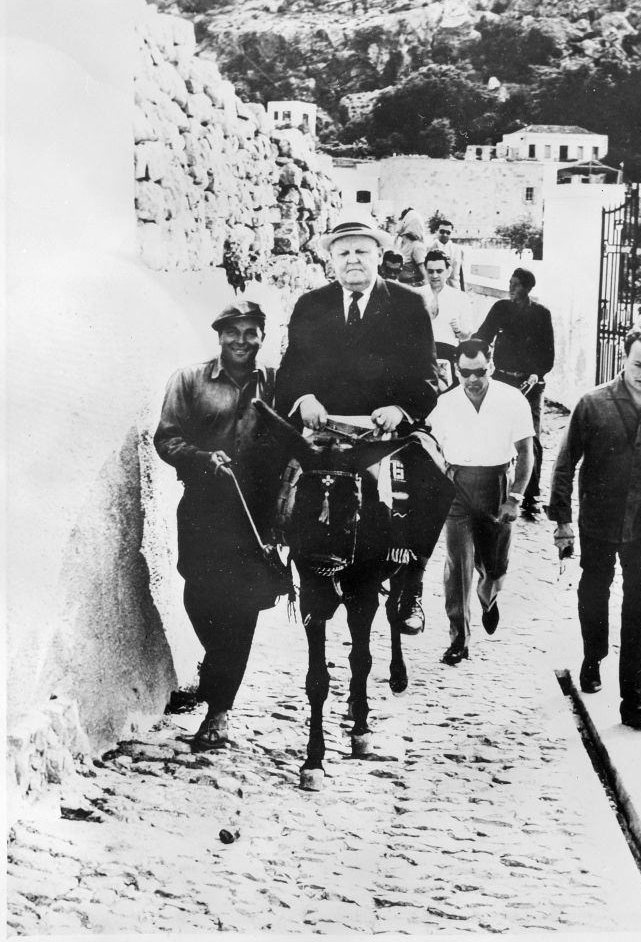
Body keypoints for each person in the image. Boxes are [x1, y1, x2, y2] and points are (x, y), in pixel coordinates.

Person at [275, 218, 439, 633]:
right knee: (273, 475)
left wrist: (401, 410)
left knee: (433, 482)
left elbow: (428, 379)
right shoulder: (310, 305)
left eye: (361, 252)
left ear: (378, 257)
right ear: (331, 260)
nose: (353, 260)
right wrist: (304, 397)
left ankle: (409, 585)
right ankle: (275, 561)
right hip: (325, 431)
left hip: (383, 433)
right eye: (343, 252)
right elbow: (290, 371)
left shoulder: (407, 304)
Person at [154, 300, 288, 751]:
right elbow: (166, 437)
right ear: (219, 335)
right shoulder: (189, 380)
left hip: (256, 509)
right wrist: (200, 458)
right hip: (204, 504)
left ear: (262, 337)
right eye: (233, 332)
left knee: (244, 604)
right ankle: (217, 670)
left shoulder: (276, 384)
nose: (242, 342)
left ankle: (219, 711)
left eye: (251, 333)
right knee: (199, 594)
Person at [548, 324, 641, 727]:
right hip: (598, 520)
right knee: (594, 592)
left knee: (639, 604)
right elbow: (564, 464)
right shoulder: (593, 403)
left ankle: (632, 697)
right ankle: (593, 656)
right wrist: (562, 520)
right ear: (623, 359)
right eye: (637, 364)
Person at [428, 339, 534, 665]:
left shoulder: (512, 399)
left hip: (496, 485)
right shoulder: (444, 404)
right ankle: (459, 638)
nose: (473, 379)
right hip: (457, 486)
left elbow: (527, 453)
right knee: (457, 563)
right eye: (465, 373)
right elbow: (431, 447)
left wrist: (515, 498)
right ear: (456, 371)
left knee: (495, 566)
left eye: (479, 371)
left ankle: (489, 597)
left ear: (491, 365)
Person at [477, 267, 554, 519]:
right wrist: (472, 354)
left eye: (516, 284)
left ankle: (530, 496)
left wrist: (536, 372)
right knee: (492, 431)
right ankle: (490, 488)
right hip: (501, 379)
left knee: (530, 437)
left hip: (530, 385)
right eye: (510, 283)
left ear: (528, 288)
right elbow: (482, 336)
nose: (511, 288)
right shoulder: (501, 309)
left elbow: (548, 355)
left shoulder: (541, 314)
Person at [423, 250, 472, 388]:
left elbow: (466, 335)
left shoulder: (460, 298)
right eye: (430, 271)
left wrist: (458, 330)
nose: (435, 275)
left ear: (448, 271)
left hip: (449, 355)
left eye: (439, 271)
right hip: (422, 355)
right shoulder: (417, 295)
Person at [394, 206, 429, 286]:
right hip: (400, 285)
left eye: (402, 220)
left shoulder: (417, 246)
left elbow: (425, 274)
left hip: (412, 287)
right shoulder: (400, 244)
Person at [429, 217, 465, 290]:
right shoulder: (429, 249)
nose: (445, 234)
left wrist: (462, 290)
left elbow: (460, 273)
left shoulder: (458, 250)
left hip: (454, 289)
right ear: (436, 231)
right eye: (442, 231)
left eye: (448, 232)